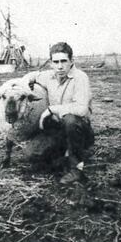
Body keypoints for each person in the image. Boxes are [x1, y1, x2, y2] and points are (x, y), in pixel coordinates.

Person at [22, 42, 94, 184]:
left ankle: (76, 169)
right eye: (56, 62)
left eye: (63, 61)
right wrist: (24, 84)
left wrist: (51, 109)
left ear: (71, 61)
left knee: (70, 119)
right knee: (30, 154)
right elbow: (32, 75)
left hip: (79, 129)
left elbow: (81, 109)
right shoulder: (48, 76)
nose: (60, 66)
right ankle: (64, 154)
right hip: (57, 129)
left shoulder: (80, 78)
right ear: (51, 63)